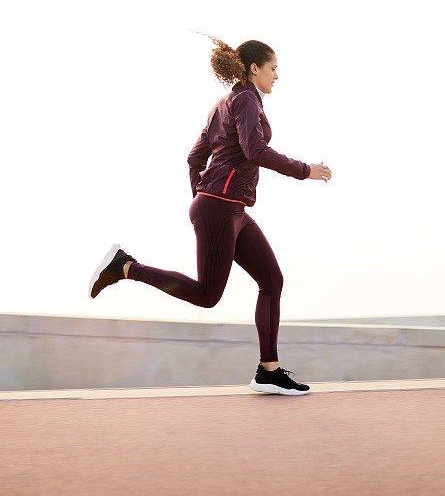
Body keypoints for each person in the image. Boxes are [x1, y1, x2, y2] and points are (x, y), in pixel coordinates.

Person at [89, 36, 332, 395]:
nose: (277, 76)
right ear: (254, 68)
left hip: (227, 209)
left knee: (272, 280)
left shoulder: (223, 104)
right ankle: (125, 266)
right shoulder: (247, 99)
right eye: (273, 68)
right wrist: (303, 170)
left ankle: (268, 371)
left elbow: (194, 158)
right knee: (207, 295)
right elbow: (254, 149)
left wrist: (202, 202)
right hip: (219, 208)